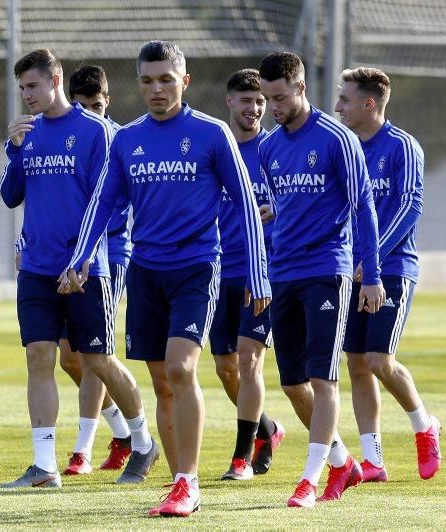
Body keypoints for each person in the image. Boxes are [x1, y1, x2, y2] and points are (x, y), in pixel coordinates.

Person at [61, 40, 271, 517]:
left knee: (181, 367)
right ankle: (180, 485)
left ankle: (187, 481)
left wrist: (259, 275)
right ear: (139, 83)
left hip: (197, 267)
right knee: (161, 381)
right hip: (145, 270)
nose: (157, 89)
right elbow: (102, 204)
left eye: (166, 80)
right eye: (148, 80)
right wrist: (79, 259)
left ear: (185, 82)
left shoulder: (211, 134)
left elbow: (244, 206)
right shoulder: (127, 139)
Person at [0, 49, 157, 489]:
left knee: (98, 361)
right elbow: (10, 196)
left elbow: (108, 204)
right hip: (36, 267)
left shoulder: (96, 133)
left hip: (87, 269)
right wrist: (13, 150)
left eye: (33, 86)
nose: (27, 96)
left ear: (56, 80)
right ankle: (45, 466)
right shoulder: (26, 134)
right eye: (22, 89)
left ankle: (143, 442)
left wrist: (82, 258)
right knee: (39, 358)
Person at [257, 51, 385, 508]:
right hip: (283, 273)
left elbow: (363, 208)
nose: (272, 106)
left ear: (300, 88)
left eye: (279, 96)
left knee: (323, 377)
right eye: (267, 98)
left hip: (328, 270)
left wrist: (370, 274)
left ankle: (309, 479)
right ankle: (342, 461)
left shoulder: (337, 139)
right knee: (293, 385)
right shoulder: (269, 147)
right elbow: (278, 209)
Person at [334, 67, 441, 483]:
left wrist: (372, 258)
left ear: (369, 103)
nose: (338, 105)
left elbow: (410, 207)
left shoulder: (402, 146)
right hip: (352, 271)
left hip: (393, 269)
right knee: (358, 363)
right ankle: (373, 459)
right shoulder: (345, 149)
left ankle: (424, 425)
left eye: (345, 99)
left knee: (380, 359)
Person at [209, 68, 285, 481]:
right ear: (230, 102)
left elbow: (299, 198)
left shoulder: (275, 149)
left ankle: (243, 457)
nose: (255, 108)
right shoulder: (217, 148)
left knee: (249, 359)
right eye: (247, 100)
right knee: (225, 367)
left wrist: (279, 211)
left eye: (261, 101)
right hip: (217, 271)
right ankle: (268, 429)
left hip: (261, 271)